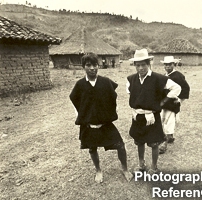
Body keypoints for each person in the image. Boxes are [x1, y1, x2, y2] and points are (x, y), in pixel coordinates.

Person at [69, 53, 133, 183]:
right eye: (88, 65)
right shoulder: (80, 85)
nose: (92, 68)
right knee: (92, 148)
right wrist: (83, 115)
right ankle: (98, 170)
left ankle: (125, 169)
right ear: (83, 67)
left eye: (95, 65)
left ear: (98, 66)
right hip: (89, 125)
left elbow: (113, 96)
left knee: (120, 145)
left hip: (106, 124)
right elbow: (75, 100)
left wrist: (110, 112)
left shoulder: (105, 82)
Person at [126, 49, 181, 174]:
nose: (141, 68)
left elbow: (177, 88)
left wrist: (163, 101)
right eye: (138, 65)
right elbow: (131, 92)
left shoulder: (158, 78)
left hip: (152, 117)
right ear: (134, 65)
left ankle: (154, 167)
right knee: (139, 142)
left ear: (149, 63)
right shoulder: (131, 79)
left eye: (143, 65)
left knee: (154, 143)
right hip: (138, 116)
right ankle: (141, 164)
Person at [159, 56, 190, 154]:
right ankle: (170, 136)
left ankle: (164, 144)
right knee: (163, 120)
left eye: (170, 64)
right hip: (163, 103)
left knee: (169, 122)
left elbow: (186, 88)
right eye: (166, 64)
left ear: (174, 64)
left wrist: (180, 100)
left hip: (172, 104)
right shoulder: (164, 75)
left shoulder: (178, 76)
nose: (167, 66)